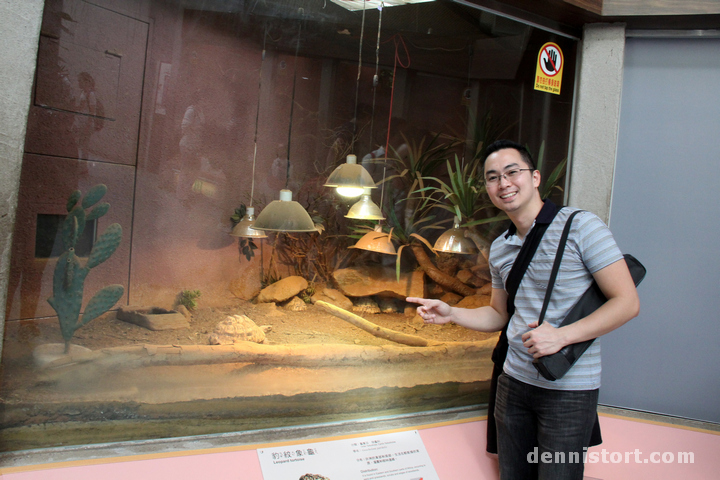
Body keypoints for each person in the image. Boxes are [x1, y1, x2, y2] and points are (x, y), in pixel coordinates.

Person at [407, 140, 639, 479]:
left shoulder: (582, 226)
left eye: (512, 172)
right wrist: (452, 313)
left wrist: (561, 336)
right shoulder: (501, 247)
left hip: (569, 390)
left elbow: (627, 302)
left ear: (535, 177)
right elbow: (500, 315)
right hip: (513, 384)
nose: (503, 183)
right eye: (492, 177)